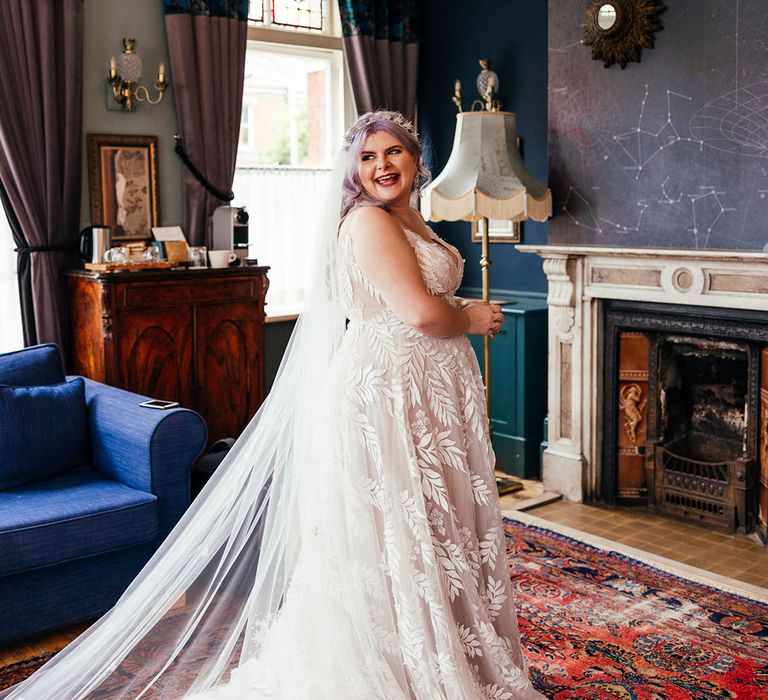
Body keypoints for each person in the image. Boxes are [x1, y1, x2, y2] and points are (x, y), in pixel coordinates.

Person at [2, 111, 542, 699]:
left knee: (435, 527)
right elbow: (417, 313)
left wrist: (454, 311)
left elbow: (414, 294)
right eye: (367, 157)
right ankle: (406, 665)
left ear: (416, 158)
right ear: (352, 169)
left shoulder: (406, 215)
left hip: (423, 392)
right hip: (391, 394)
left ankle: (447, 644)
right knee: (400, 529)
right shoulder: (367, 222)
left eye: (393, 153)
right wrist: (473, 316)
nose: (381, 165)